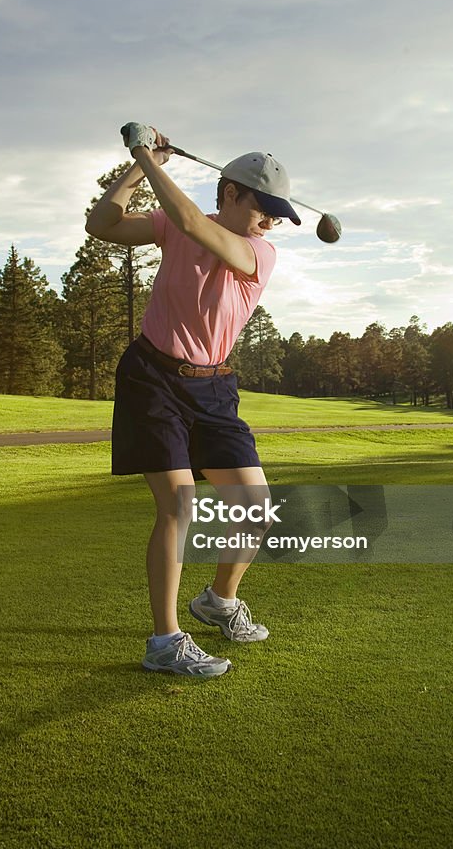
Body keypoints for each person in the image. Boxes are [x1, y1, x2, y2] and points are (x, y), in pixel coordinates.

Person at [85, 123, 301, 678]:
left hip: (213, 388)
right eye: (264, 207)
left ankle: (219, 601)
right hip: (152, 377)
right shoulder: (176, 226)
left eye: (279, 212)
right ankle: (165, 642)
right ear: (231, 192)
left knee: (255, 507)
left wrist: (144, 154)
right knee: (177, 506)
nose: (272, 220)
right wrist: (142, 165)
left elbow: (186, 220)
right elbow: (101, 223)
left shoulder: (259, 251)